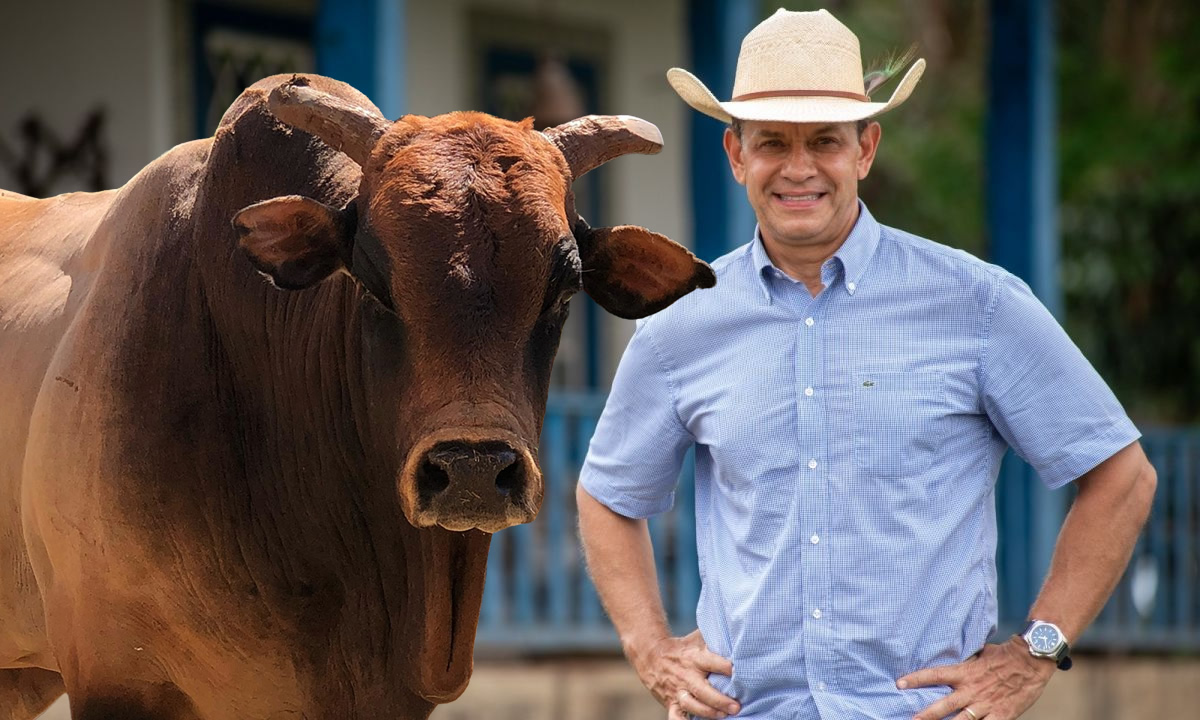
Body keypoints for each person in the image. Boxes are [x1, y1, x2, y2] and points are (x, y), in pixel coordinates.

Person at [575, 8, 1157, 720]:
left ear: (866, 149)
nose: (798, 168)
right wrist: (651, 650)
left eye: (825, 140)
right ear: (734, 155)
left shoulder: (977, 304)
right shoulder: (680, 325)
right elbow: (607, 494)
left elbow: (1121, 475)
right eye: (771, 144)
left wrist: (1036, 652)